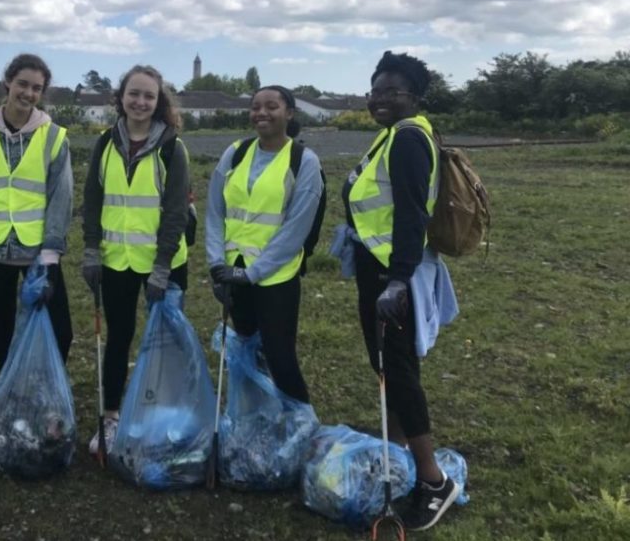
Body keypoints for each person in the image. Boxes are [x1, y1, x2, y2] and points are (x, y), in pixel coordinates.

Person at [341, 50, 461, 530]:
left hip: (396, 275)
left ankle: (434, 481)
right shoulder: (390, 136)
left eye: (392, 91)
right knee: (386, 365)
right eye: (376, 91)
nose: (381, 99)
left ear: (415, 96)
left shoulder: (409, 138)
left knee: (400, 371)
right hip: (379, 269)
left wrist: (396, 280)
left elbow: (413, 215)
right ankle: (394, 449)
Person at [81, 65, 190, 456]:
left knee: (166, 343)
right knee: (118, 338)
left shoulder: (172, 148)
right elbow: (92, 201)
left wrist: (162, 268)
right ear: (121, 97)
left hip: (163, 265)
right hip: (117, 262)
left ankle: (168, 417)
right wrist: (91, 250)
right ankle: (111, 418)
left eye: (149, 96)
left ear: (158, 102)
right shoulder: (105, 144)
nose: (140, 102)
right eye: (134, 94)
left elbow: (176, 212)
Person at [205, 85, 323, 405]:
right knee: (245, 354)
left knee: (280, 358)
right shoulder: (236, 152)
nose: (262, 113)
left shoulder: (303, 161)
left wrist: (254, 273)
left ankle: (297, 428)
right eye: (256, 106)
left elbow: (296, 227)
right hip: (232, 272)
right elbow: (216, 211)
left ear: (289, 113)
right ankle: (253, 418)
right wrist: (217, 264)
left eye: (271, 106)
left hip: (275, 278)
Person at [0, 53, 74, 374]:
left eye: (37, 88)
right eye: (22, 84)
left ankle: (44, 390)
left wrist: (51, 254)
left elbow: (61, 198)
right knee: (4, 332)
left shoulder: (53, 137)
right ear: (8, 82)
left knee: (61, 331)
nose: (28, 93)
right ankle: (9, 399)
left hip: (39, 254)